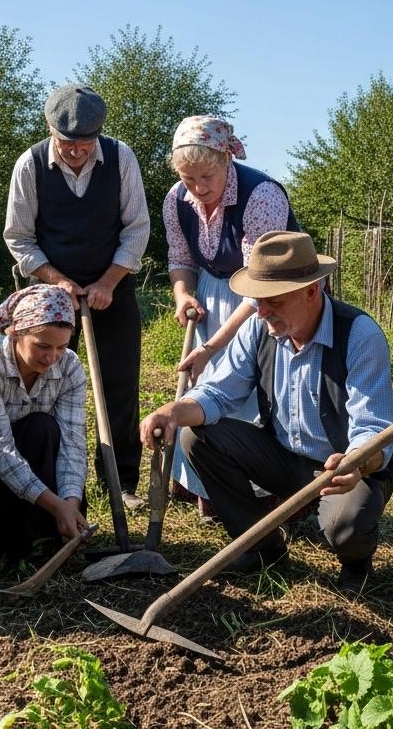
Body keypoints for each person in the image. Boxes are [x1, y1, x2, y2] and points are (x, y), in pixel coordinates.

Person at [140, 231, 393, 592]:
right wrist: (172, 411)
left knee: (345, 528)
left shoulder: (359, 335)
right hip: (282, 458)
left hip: (343, 470)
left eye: (273, 300)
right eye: (257, 300)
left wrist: (357, 460)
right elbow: (217, 393)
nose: (261, 311)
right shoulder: (259, 328)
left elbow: (373, 426)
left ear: (312, 291)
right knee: (194, 435)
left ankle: (357, 562)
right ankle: (259, 547)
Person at [3, 84, 150, 508]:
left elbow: (136, 228)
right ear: (50, 129)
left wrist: (108, 282)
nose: (76, 151)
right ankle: (49, 482)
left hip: (112, 286)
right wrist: (57, 282)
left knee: (118, 384)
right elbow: (19, 237)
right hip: (49, 292)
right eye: (67, 142)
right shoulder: (29, 165)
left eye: (85, 143)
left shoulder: (121, 158)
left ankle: (120, 483)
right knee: (42, 383)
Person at [162, 115, 299, 513]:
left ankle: (264, 491)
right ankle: (207, 484)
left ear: (227, 159)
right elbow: (181, 257)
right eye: (190, 180)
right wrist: (183, 294)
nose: (199, 188)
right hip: (212, 290)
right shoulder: (176, 199)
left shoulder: (261, 195)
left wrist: (215, 344)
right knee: (205, 388)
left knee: (252, 386)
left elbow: (260, 284)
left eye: (206, 176)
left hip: (270, 295)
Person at [0, 285, 90, 562]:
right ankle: (8, 536)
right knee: (29, 433)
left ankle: (53, 532)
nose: (52, 358)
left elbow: (73, 441)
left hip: (27, 459)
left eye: (61, 347)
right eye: (42, 346)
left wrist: (70, 503)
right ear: (15, 334)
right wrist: (55, 504)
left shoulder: (69, 366)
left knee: (43, 427)